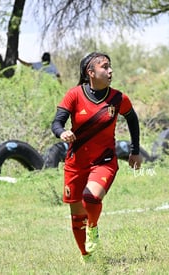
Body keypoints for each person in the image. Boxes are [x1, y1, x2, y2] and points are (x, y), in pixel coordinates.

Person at [51, 52, 142, 262]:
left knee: (90, 198)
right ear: (90, 72)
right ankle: (88, 258)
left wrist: (134, 151)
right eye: (104, 67)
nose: (110, 71)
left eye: (110, 66)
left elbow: (132, 118)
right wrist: (62, 132)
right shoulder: (74, 95)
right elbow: (57, 122)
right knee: (76, 216)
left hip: (105, 161)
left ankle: (93, 228)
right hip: (75, 163)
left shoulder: (118, 98)